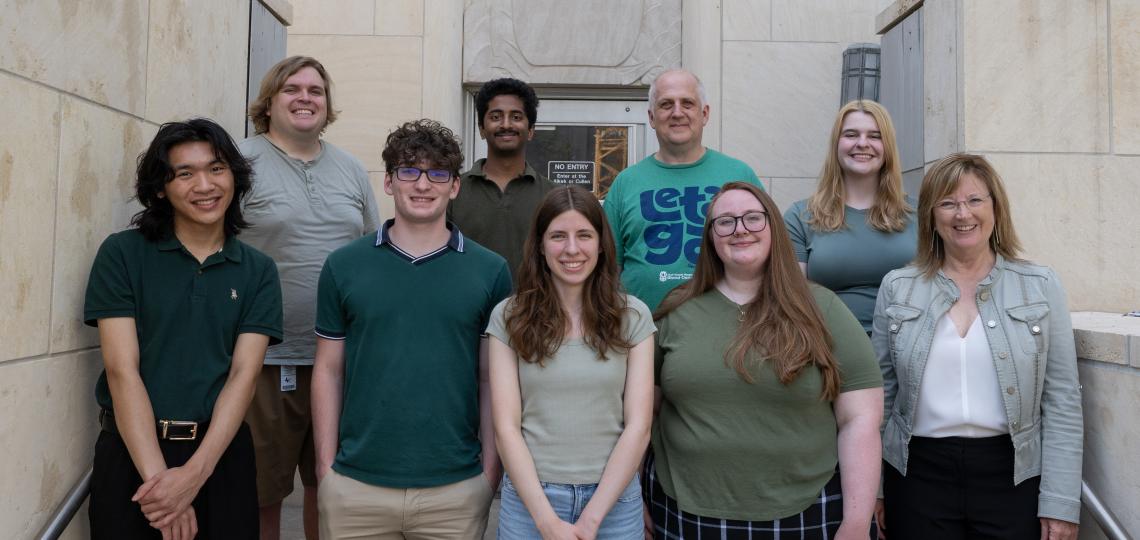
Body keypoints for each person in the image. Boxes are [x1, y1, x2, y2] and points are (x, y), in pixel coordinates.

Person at [311, 119, 512, 539]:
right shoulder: (344, 265)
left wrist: (489, 474)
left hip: (455, 489)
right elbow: (329, 370)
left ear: (454, 186)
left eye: (438, 173)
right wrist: (326, 469)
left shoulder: (490, 271)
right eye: (409, 171)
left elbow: (492, 378)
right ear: (388, 182)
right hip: (356, 486)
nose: (423, 184)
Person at [648, 181, 883, 539]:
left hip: (805, 510)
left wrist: (855, 523)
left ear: (773, 227)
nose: (740, 229)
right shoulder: (676, 310)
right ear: (711, 237)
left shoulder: (824, 310)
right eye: (725, 221)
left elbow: (860, 420)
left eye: (753, 218)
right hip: (686, 509)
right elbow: (642, 414)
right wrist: (631, 496)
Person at [84, 118, 283, 539]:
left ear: (234, 177)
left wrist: (193, 475)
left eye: (216, 168)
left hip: (220, 457)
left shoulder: (258, 271)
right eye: (184, 173)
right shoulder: (122, 254)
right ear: (161, 188)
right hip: (131, 454)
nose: (205, 185)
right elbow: (122, 371)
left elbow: (243, 376)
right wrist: (165, 487)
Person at [871, 153, 1082, 540]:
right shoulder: (898, 287)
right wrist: (875, 489)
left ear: (996, 208)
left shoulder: (1039, 285)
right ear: (931, 217)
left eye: (974, 200)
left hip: (1013, 474)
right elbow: (881, 397)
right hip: (917, 473)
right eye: (947, 203)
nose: (961, 214)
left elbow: (1063, 400)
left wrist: (1061, 501)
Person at [240, 55, 380, 540]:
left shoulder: (350, 169)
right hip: (262, 359)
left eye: (315, 91)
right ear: (270, 102)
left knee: (333, 487)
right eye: (292, 89)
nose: (305, 98)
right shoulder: (238, 163)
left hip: (340, 357)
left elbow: (371, 252)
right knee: (262, 493)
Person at [488, 186, 655, 539]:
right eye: (558, 236)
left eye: (584, 235)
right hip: (530, 501)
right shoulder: (509, 317)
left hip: (613, 502)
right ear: (539, 245)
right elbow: (505, 428)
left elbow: (638, 426)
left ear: (601, 243)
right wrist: (546, 522)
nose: (572, 249)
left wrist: (592, 519)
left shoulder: (633, 316)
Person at [604, 69, 762, 310]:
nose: (677, 113)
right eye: (666, 104)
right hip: (642, 334)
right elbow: (608, 267)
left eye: (687, 103)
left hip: (725, 329)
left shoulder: (739, 175)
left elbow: (768, 253)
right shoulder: (626, 182)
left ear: (704, 113)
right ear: (651, 116)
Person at [785, 100, 916, 335]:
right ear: (837, 143)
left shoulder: (919, 214)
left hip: (907, 347)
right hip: (830, 346)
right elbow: (793, 300)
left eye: (875, 136)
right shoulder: (800, 217)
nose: (862, 143)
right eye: (851, 134)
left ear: (888, 146)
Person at [450, 77, 555, 277]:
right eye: (496, 117)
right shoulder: (452, 192)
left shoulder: (553, 196)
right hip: (470, 307)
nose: (506, 124)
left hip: (536, 307)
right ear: (481, 129)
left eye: (516, 117)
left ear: (531, 130)